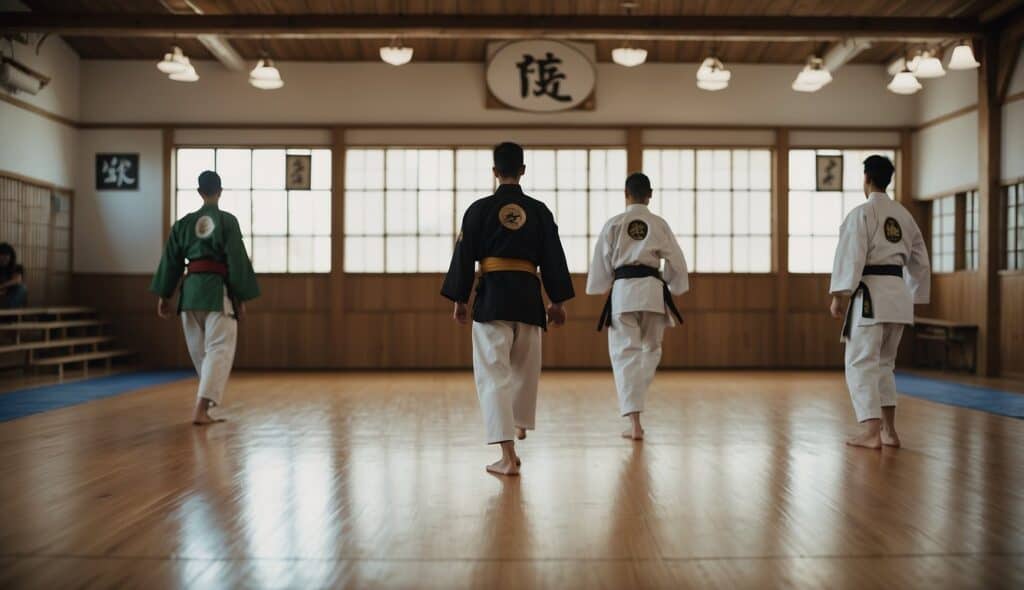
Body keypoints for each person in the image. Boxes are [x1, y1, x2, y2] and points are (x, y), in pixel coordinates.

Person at [441, 142, 574, 476]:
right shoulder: (540, 211)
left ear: (494, 171)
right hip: (529, 299)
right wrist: (556, 302)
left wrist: (460, 299)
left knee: (493, 375)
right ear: (523, 170)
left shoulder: (479, 210)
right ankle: (518, 424)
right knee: (525, 369)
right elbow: (554, 258)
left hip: (492, 301)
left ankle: (507, 455)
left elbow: (463, 256)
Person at [829, 155, 930, 449]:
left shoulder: (862, 214)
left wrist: (839, 297)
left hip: (870, 296)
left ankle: (871, 432)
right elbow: (920, 260)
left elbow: (851, 257)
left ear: (866, 179)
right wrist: (915, 293)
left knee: (861, 362)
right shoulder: (904, 215)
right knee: (886, 364)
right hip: (898, 296)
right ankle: (889, 431)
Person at [150, 170, 260, 425]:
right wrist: (240, 296)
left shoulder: (184, 224)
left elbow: (171, 260)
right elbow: (236, 260)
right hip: (216, 292)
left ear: (199, 192)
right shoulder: (226, 221)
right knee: (218, 350)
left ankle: (205, 407)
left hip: (189, 295)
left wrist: (165, 294)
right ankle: (200, 409)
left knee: (202, 354)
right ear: (219, 191)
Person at [586, 172, 689, 441]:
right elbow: (676, 261)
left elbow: (602, 261)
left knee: (625, 354)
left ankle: (634, 423)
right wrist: (670, 283)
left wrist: (604, 283)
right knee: (651, 350)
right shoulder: (659, 224)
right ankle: (636, 414)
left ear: (626, 194)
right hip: (653, 292)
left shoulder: (615, 223)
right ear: (650, 194)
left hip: (624, 293)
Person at [0, 243, 27, 309]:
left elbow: (17, 280)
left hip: (12, 296)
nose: (5, 257)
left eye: (7, 254)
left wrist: (2, 286)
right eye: (2, 254)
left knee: (22, 288)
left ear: (11, 256)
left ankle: (8, 313)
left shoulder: (17, 267)